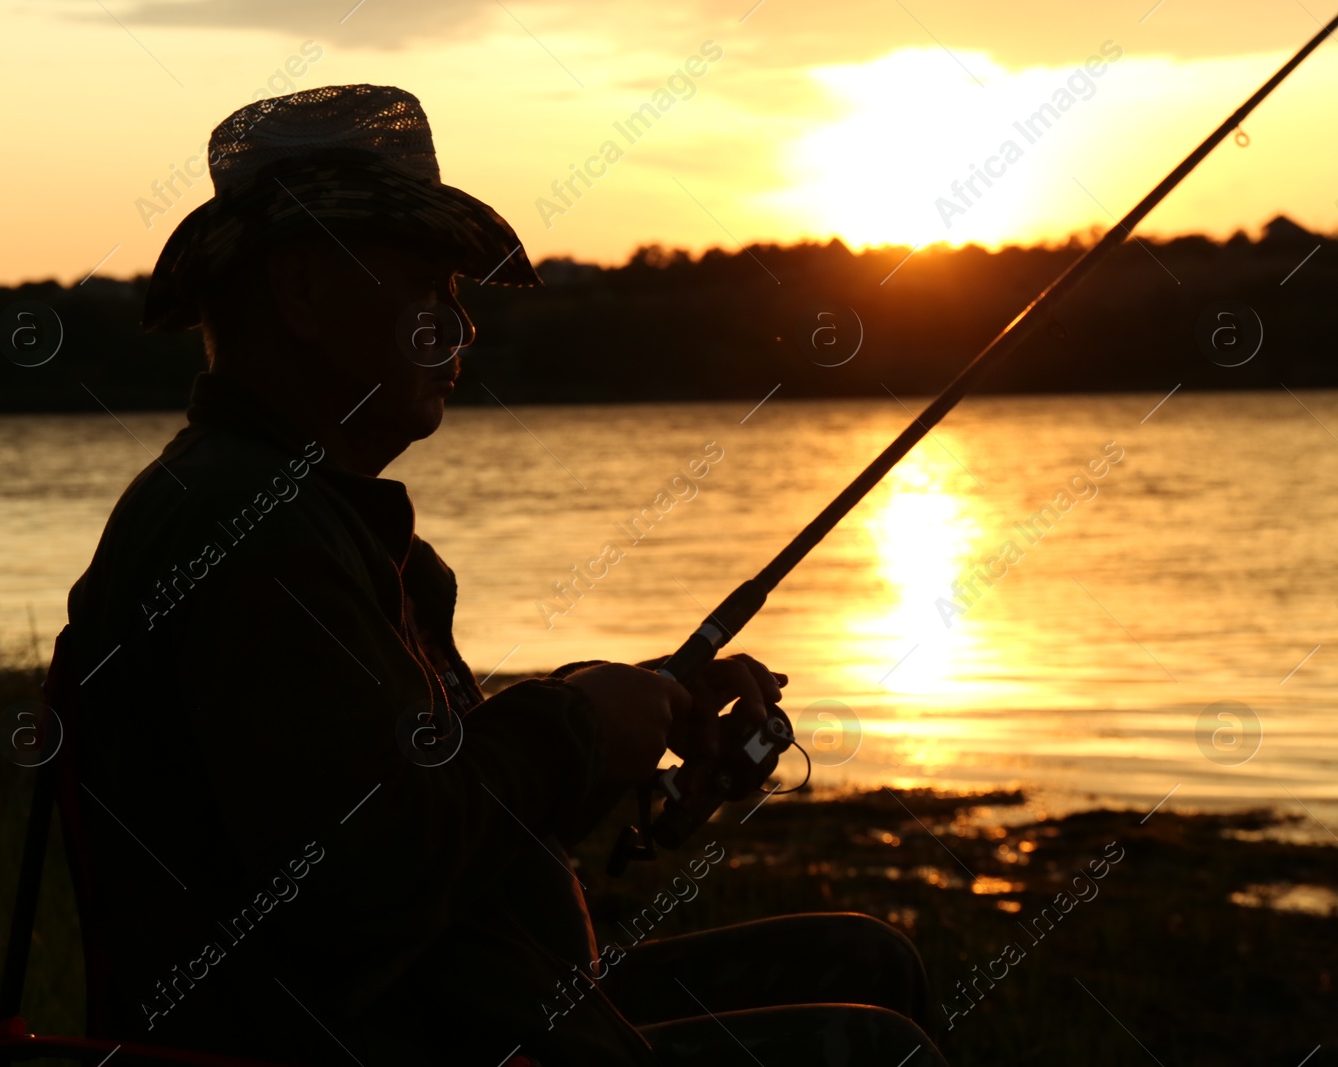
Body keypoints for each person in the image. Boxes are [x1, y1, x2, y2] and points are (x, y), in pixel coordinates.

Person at [48, 84, 945, 1066]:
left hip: (453, 1000)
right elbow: (373, 871)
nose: (459, 327)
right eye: (432, 285)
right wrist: (577, 726)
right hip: (373, 1035)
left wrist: (635, 702)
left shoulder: (304, 511)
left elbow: (422, 784)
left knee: (867, 957)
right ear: (303, 290)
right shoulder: (250, 535)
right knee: (876, 1049)